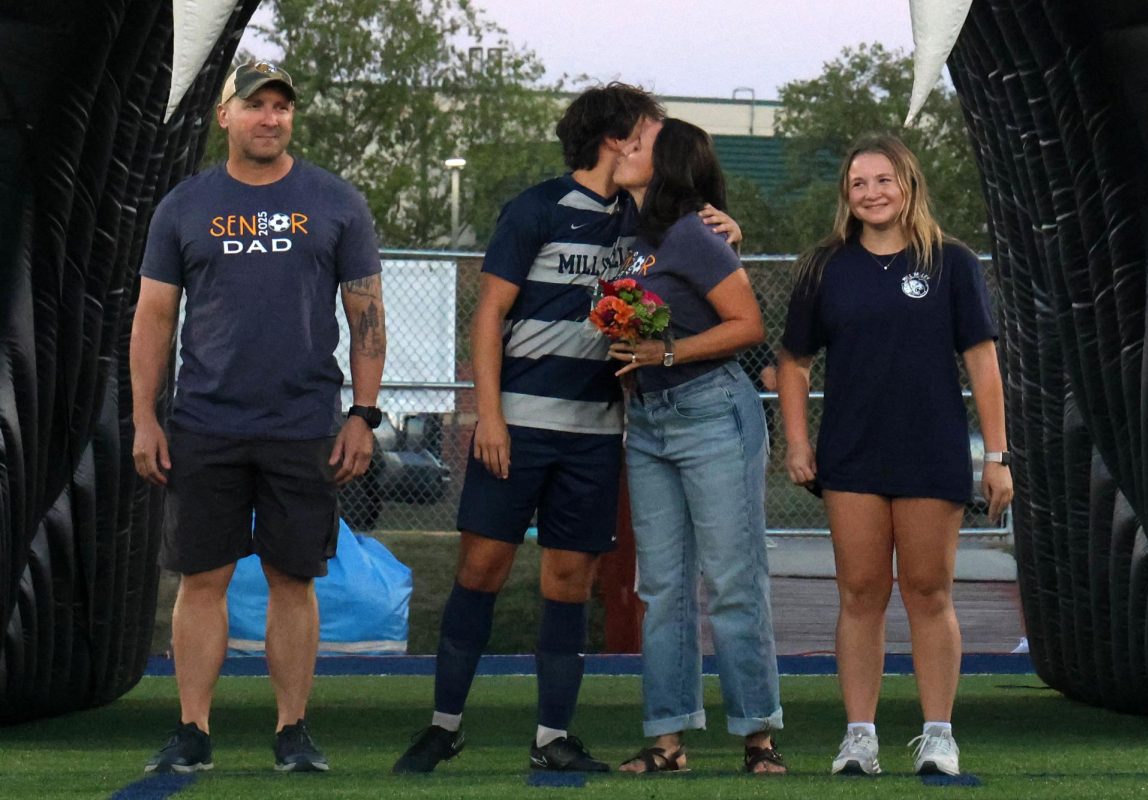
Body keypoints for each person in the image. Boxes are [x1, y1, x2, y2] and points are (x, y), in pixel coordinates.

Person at [392, 85, 741, 775]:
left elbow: (697, 262)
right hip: (517, 425)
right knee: (481, 569)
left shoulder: (647, 219)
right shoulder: (536, 208)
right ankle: (444, 725)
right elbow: (489, 314)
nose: (657, 139)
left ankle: (552, 736)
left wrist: (729, 231)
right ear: (617, 137)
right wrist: (488, 415)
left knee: (569, 580)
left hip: (597, 434)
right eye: (648, 128)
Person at [131, 61, 386, 774]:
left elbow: (365, 310)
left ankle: (292, 730)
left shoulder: (335, 201)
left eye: (281, 107)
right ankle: (192, 731)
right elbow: (154, 316)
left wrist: (363, 414)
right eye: (256, 106)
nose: (270, 118)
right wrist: (146, 419)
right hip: (205, 423)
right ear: (225, 117)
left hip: (303, 424)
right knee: (201, 578)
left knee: (293, 578)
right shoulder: (184, 206)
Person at [775, 133, 1013, 777]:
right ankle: (860, 737)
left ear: (908, 185)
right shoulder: (826, 266)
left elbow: (983, 363)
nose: (871, 193)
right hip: (850, 453)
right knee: (859, 592)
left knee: (929, 590)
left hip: (930, 450)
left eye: (884, 180)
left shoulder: (952, 263)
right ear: (846, 197)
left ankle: (938, 736)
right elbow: (793, 362)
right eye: (858, 183)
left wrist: (998, 454)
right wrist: (798, 443)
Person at [606, 118, 785, 775]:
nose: (624, 149)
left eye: (638, 143)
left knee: (734, 582)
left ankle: (759, 738)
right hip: (649, 422)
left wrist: (668, 348)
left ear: (671, 161)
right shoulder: (632, 237)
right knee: (661, 588)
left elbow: (749, 324)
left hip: (712, 414)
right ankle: (667, 742)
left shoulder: (691, 233)